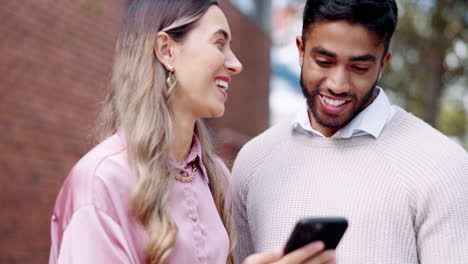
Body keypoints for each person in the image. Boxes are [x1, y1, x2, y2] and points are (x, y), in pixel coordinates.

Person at [49, 0, 337, 263]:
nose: (235, 64)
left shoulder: (217, 180)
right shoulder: (100, 182)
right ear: (166, 50)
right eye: (219, 44)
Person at [232, 0, 468, 263]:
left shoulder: (443, 166)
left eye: (359, 68)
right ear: (301, 50)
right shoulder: (253, 162)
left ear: (383, 64)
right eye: (323, 61)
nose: (338, 84)